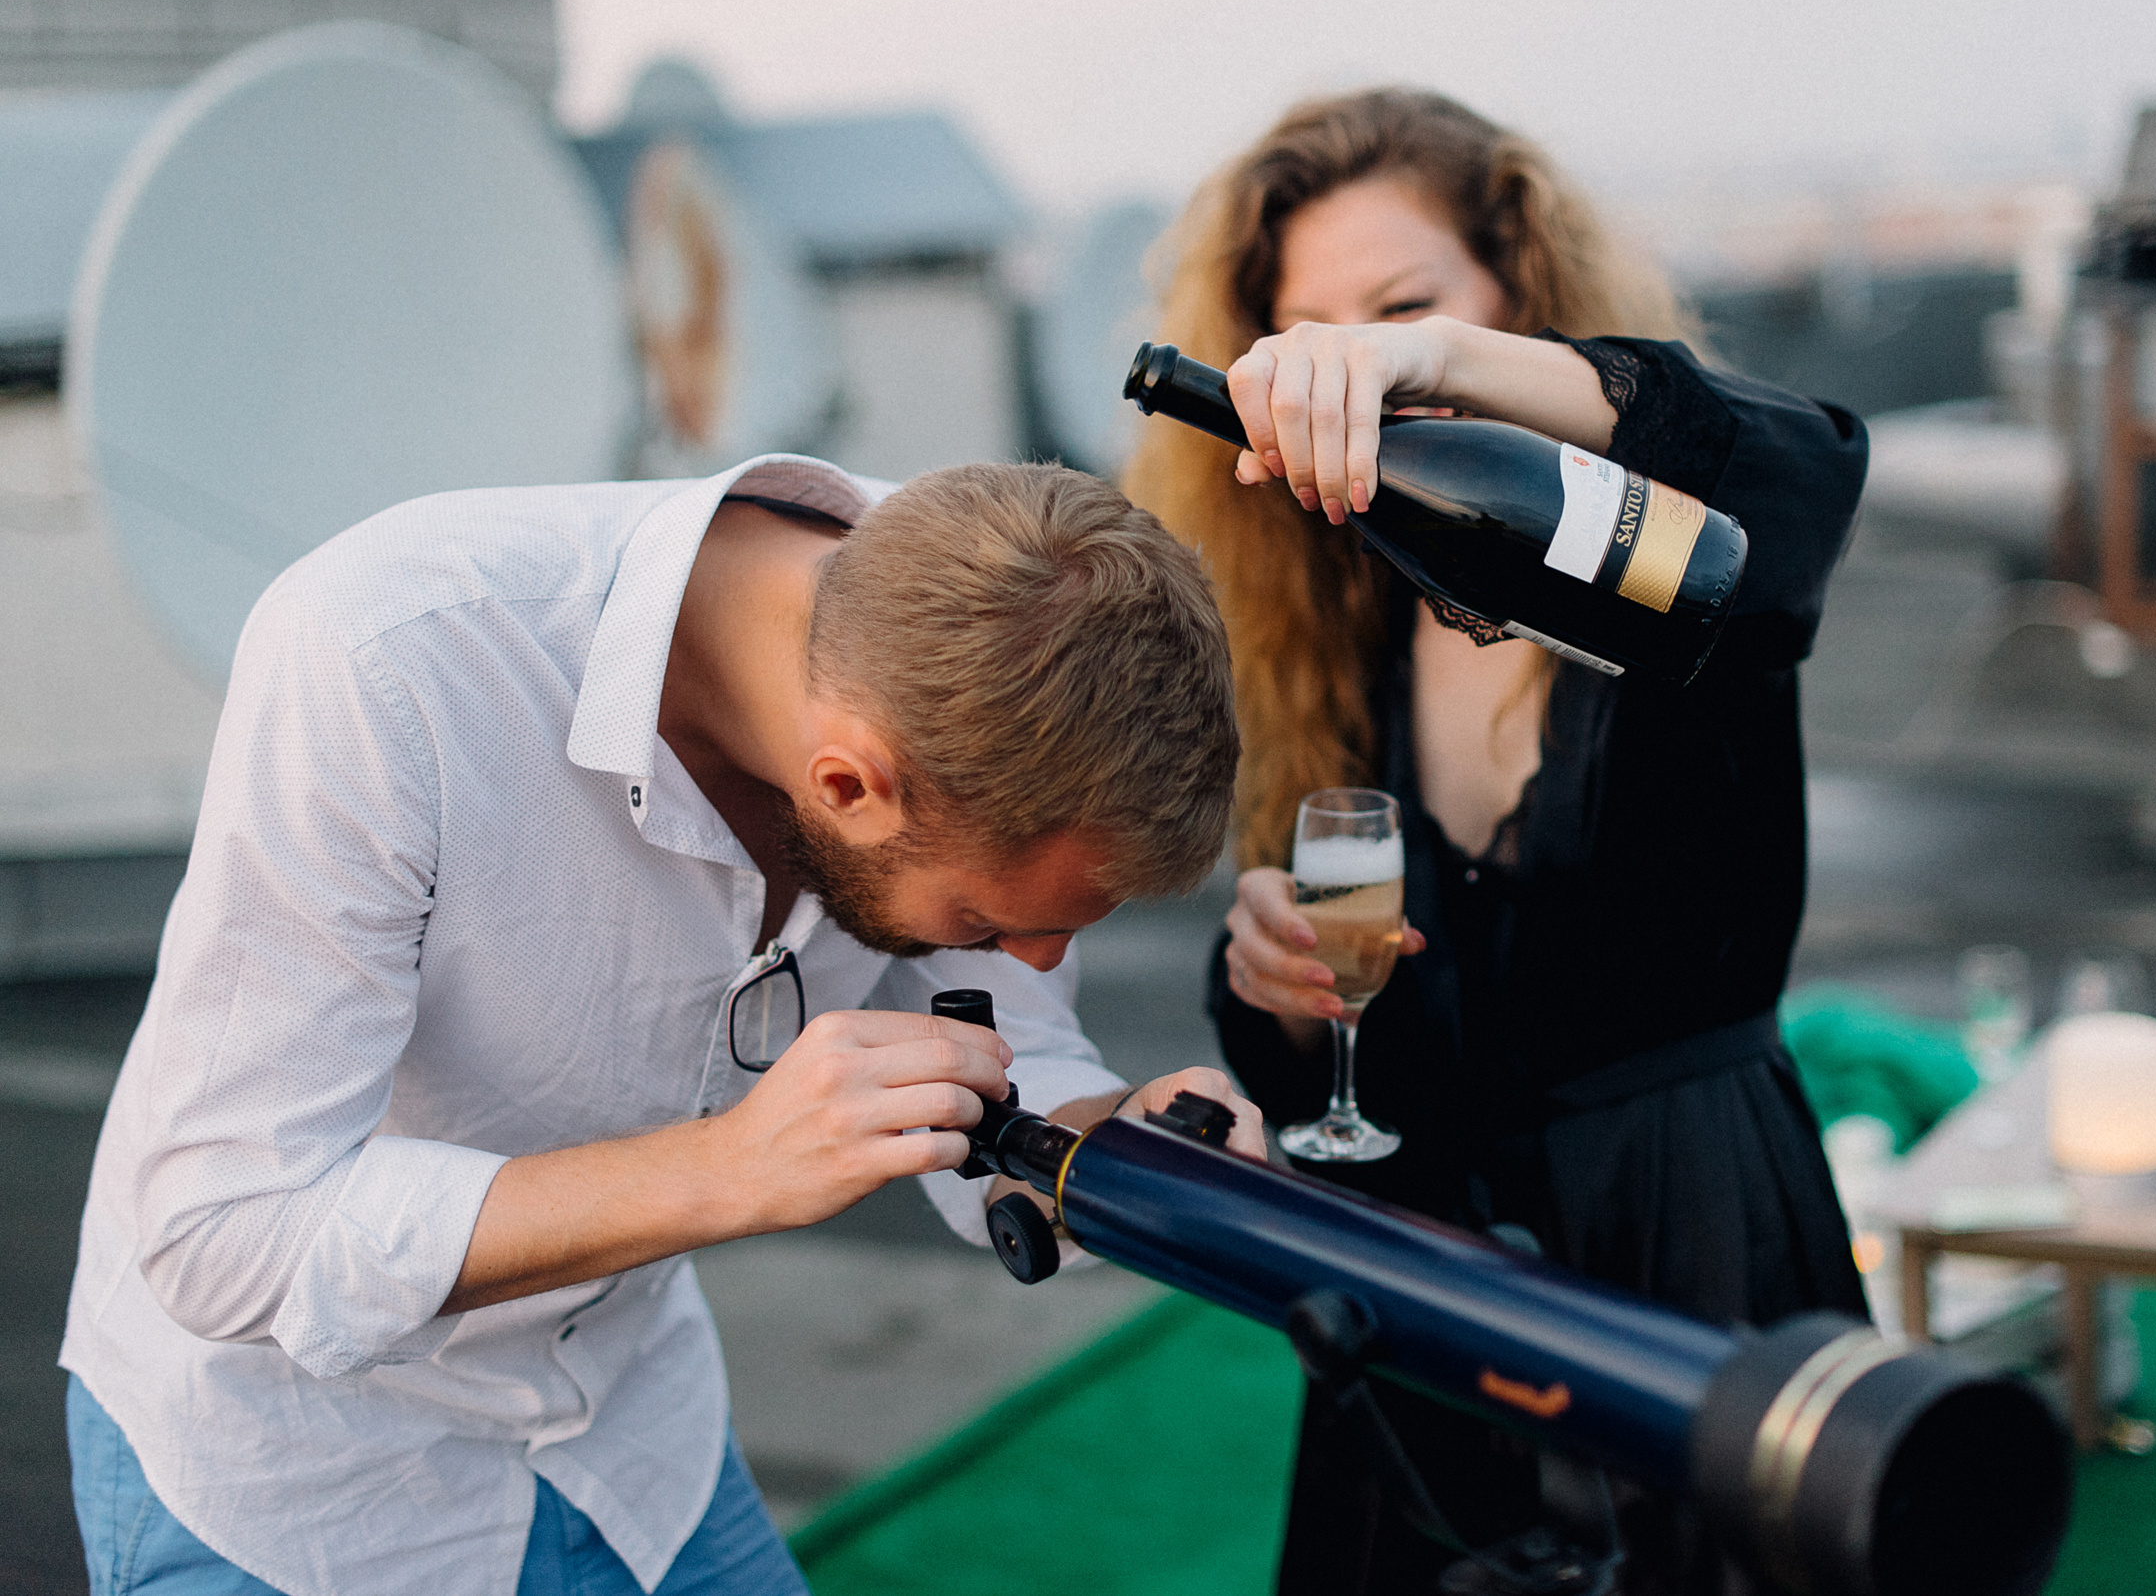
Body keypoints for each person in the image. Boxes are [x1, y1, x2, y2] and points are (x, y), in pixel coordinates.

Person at [60, 455, 1261, 1596]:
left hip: (632, 1444)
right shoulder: (386, 661)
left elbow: (1009, 1059)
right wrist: (727, 1169)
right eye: (990, 922)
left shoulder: (992, 642)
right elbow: (228, 1230)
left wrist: (1111, 1142)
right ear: (846, 784)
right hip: (295, 1488)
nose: (1037, 961)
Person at [1121, 89, 1870, 1594]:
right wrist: (1277, 989)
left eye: (1401, 308)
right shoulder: (1336, 614)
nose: (1357, 365)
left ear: (1517, 286)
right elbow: (1346, 1076)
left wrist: (1443, 368)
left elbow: (1800, 480)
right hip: (1447, 1282)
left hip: (1700, 1236)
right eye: (1316, 335)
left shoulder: (1661, 536)